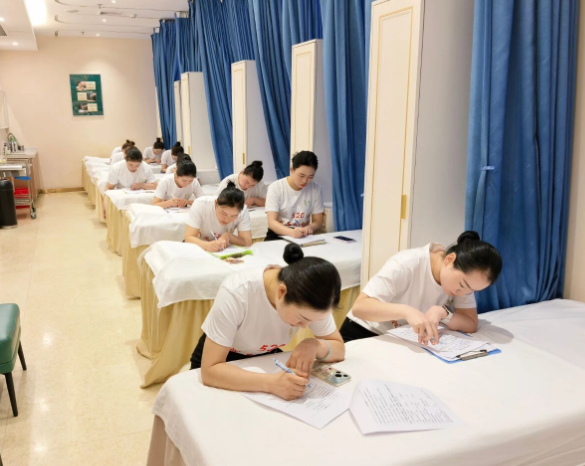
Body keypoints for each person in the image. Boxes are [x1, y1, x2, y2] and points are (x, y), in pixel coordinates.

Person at [191, 243, 345, 401]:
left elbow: (339, 348)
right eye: (302, 318)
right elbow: (210, 371)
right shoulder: (238, 291)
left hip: (265, 359)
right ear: (281, 292)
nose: (305, 326)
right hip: (224, 359)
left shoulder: (314, 296)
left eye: (314, 320)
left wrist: (315, 345)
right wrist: (272, 383)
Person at [340, 231, 503, 344]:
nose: (463, 293)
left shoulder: (465, 281)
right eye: (462, 285)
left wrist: (444, 313)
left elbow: (471, 323)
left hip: (401, 339)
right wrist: (406, 311)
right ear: (449, 260)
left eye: (472, 291)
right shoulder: (407, 263)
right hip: (363, 332)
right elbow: (360, 307)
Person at [265, 151, 323, 241]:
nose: (305, 181)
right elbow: (272, 222)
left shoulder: (316, 189)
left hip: (303, 234)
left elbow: (318, 222)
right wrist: (291, 232)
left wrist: (309, 228)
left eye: (310, 176)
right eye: (301, 175)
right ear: (292, 170)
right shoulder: (276, 188)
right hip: (278, 234)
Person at [184, 181, 252, 251]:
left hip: (223, 251)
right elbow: (188, 238)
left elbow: (247, 242)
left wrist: (229, 236)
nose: (227, 220)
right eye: (224, 213)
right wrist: (206, 245)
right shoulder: (201, 204)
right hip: (199, 249)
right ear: (216, 202)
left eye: (233, 216)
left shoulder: (243, 210)